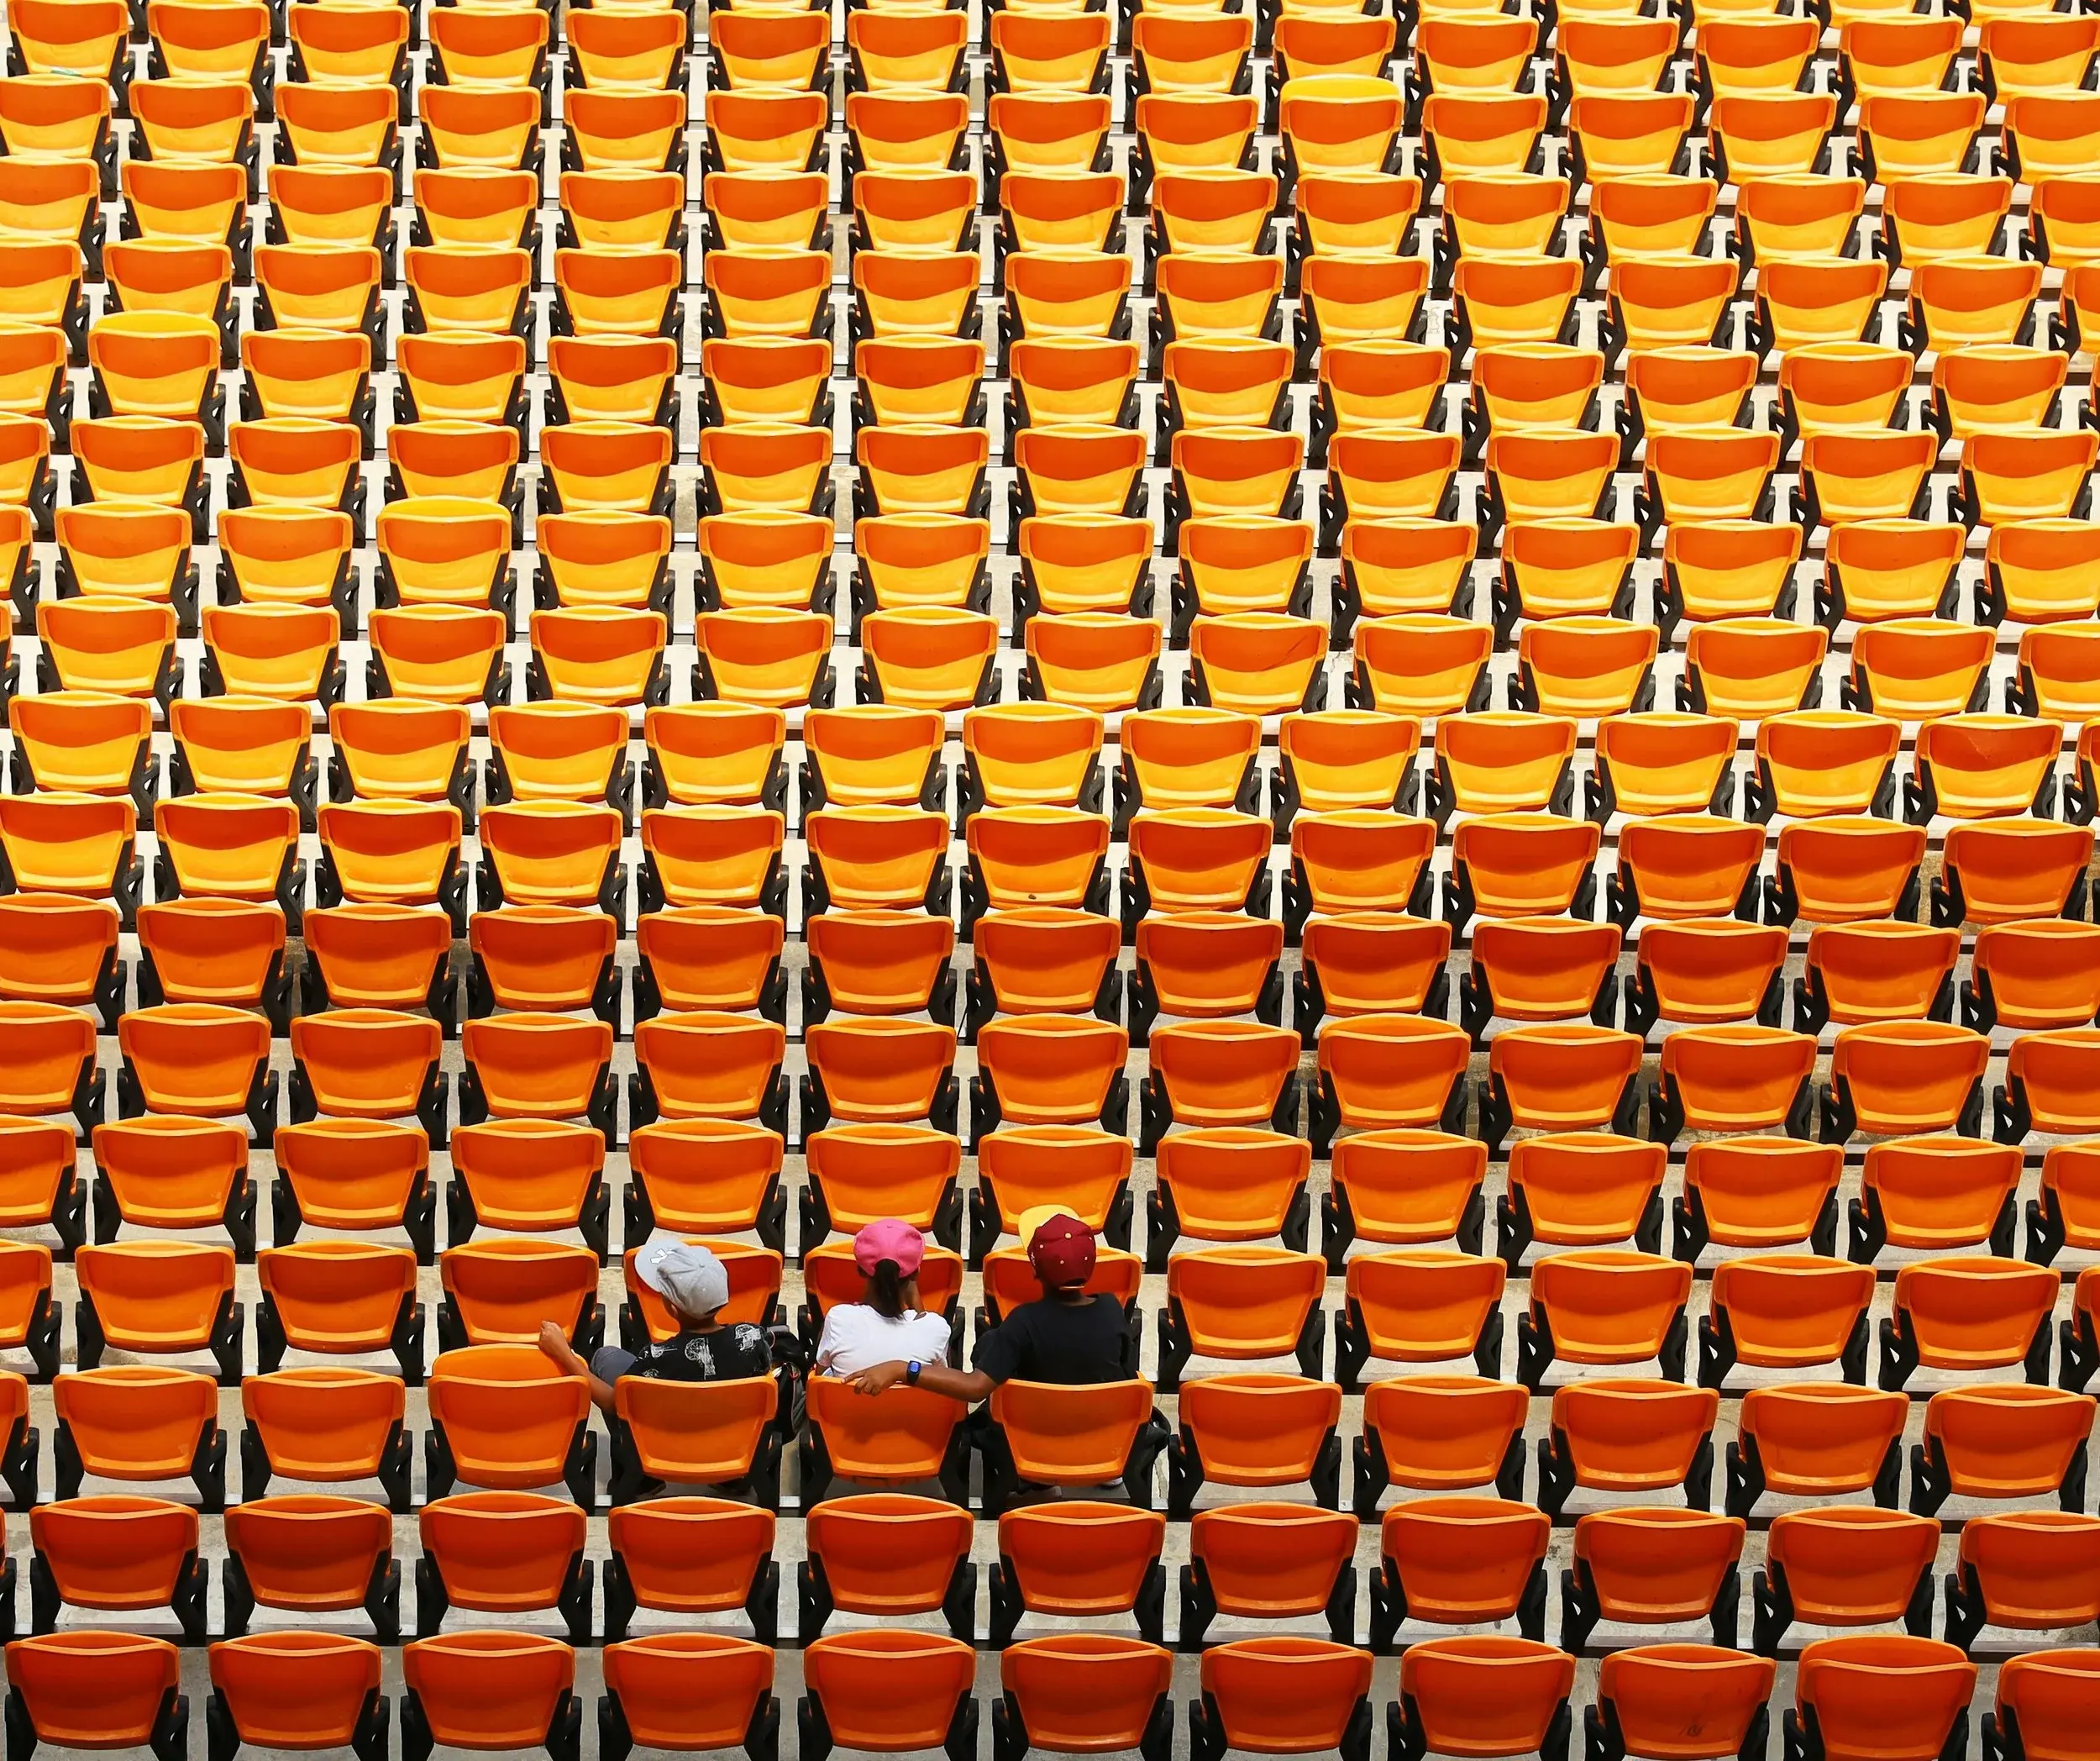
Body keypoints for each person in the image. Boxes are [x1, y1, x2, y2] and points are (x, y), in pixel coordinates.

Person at [845, 1208, 1131, 1401]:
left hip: (1035, 1439)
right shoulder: (1111, 1309)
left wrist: (903, 1369)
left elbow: (976, 1388)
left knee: (990, 1346)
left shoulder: (1024, 1323)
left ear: (1035, 1271)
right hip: (1101, 1440)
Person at [537, 1233, 770, 1416]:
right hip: (728, 1441)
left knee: (605, 1357)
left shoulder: (657, 1357)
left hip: (666, 1443)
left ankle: (641, 1472)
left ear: (673, 1309)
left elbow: (612, 1403)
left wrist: (565, 1355)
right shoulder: (752, 1336)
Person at [814, 1218, 952, 1378]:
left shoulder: (838, 1319)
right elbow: (941, 1380)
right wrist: (915, 1301)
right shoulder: (937, 1329)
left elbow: (821, 1379)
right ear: (915, 1273)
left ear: (860, 1270)